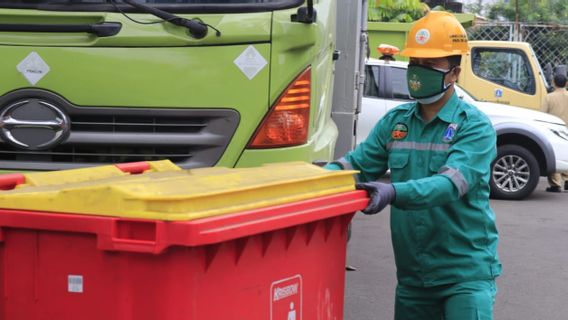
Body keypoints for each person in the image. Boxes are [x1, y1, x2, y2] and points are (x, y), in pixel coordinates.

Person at [326, 11, 501, 320]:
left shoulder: (473, 127)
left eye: (430, 65)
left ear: (454, 73)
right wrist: (320, 177)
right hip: (413, 276)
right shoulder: (396, 123)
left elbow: (451, 184)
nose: (418, 72)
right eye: (415, 63)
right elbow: (357, 165)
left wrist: (393, 192)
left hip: (464, 275)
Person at [541, 73, 568, 193]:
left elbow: (542, 114)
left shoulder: (549, 97)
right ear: (566, 83)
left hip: (554, 130)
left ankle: (555, 184)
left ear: (553, 83)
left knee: (555, 155)